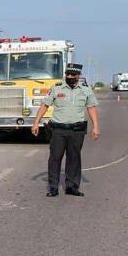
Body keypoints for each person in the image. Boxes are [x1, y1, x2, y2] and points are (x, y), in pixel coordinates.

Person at [31, 63, 100, 197]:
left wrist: (96, 126)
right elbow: (45, 105)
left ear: (78, 76)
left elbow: (91, 108)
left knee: (74, 158)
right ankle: (53, 187)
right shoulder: (56, 88)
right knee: (55, 158)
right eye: (67, 74)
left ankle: (72, 187)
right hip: (58, 130)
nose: (69, 76)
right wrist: (35, 123)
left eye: (73, 75)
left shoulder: (85, 89)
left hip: (77, 130)